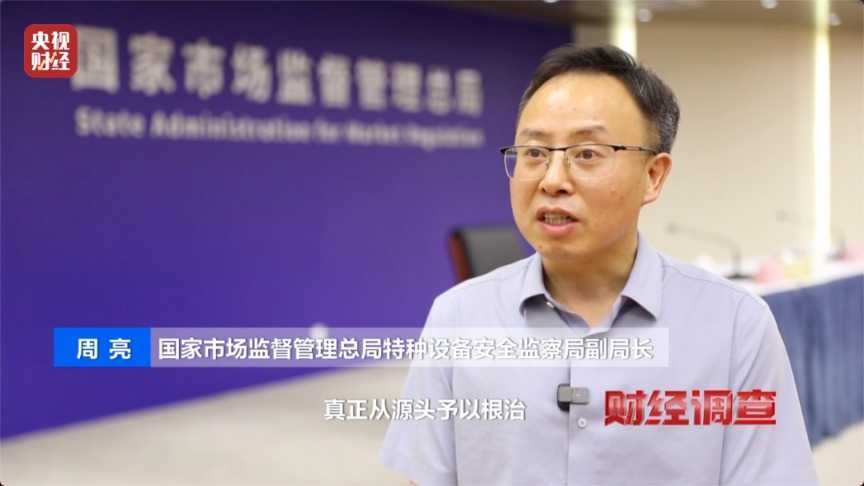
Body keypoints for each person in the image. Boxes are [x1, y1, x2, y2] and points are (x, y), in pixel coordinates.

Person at [379, 44, 818, 486]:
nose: (552, 180)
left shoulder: (736, 325)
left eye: (586, 153)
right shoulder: (458, 315)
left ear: (653, 176)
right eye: (534, 153)